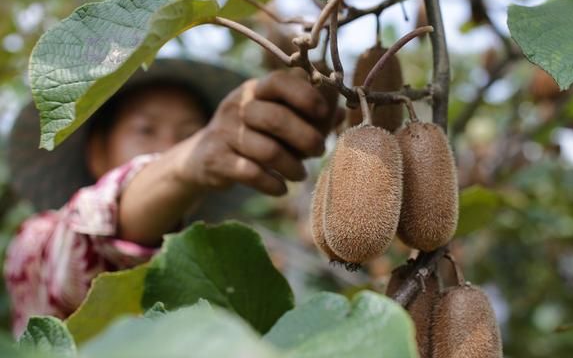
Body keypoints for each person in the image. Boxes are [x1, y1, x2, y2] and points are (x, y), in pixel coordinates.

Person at [4, 58, 340, 335]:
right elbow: (83, 246)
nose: (169, 149)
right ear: (96, 151)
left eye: (189, 134)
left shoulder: (221, 264)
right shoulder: (35, 242)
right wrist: (187, 160)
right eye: (145, 130)